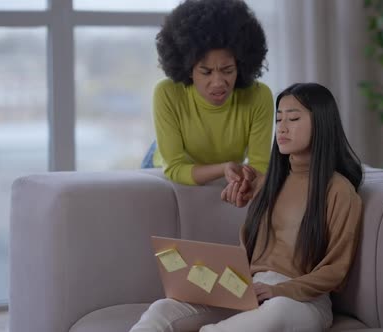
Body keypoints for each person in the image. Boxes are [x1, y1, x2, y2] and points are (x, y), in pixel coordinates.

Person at [129, 83, 364, 332]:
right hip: (250, 289)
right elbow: (246, 252)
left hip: (301, 301)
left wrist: (277, 290)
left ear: (322, 123)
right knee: (162, 310)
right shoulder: (268, 183)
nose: (282, 128)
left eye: (293, 118)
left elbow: (336, 270)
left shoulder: (339, 191)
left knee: (276, 312)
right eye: (278, 118)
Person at [142, 0, 274, 186]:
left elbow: (259, 166)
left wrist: (239, 179)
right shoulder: (167, 93)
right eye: (206, 72)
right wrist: (224, 168)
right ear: (188, 69)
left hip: (223, 172)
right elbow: (174, 167)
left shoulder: (259, 97)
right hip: (164, 169)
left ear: (241, 65)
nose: (218, 83)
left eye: (227, 70)